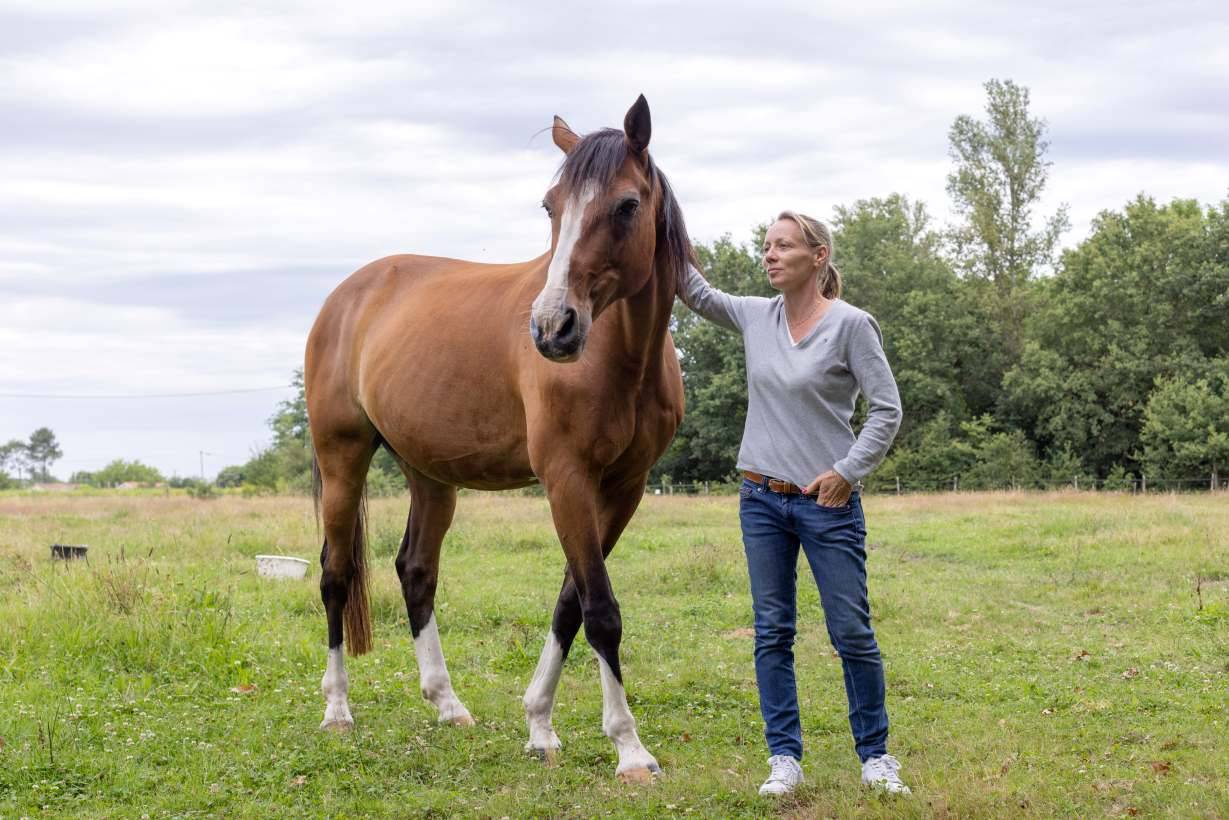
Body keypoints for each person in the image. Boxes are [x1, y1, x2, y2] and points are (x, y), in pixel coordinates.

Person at [677, 211, 909, 796]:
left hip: (825, 503)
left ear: (819, 256)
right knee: (772, 631)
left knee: (850, 630)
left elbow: (887, 409)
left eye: (782, 246)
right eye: (766, 246)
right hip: (760, 497)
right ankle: (784, 758)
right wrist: (659, 220)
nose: (769, 255)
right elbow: (696, 293)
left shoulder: (853, 326)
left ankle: (876, 757)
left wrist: (848, 471)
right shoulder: (758, 316)